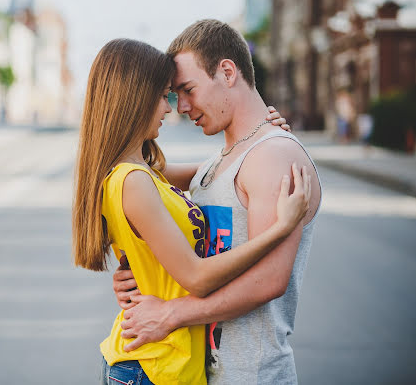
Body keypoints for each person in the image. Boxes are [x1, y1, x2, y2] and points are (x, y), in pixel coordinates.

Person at [73, 38, 312, 385]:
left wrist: (263, 134)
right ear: (133, 98)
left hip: (164, 364)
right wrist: (281, 228)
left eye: (181, 92)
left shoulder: (142, 176)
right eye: (163, 95)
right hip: (151, 366)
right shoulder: (133, 181)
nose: (171, 108)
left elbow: (219, 169)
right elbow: (197, 277)